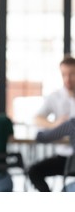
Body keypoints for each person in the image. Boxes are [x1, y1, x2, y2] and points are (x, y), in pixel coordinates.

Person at [28, 56, 75, 192]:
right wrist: (55, 125)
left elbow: (41, 137)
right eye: (64, 74)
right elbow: (37, 118)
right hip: (64, 157)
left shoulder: (71, 123)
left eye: (72, 74)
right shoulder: (55, 97)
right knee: (34, 172)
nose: (68, 79)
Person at [32, 118, 75, 192]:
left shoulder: (72, 124)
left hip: (69, 164)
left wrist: (54, 125)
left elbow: (42, 137)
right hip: (70, 164)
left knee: (34, 172)